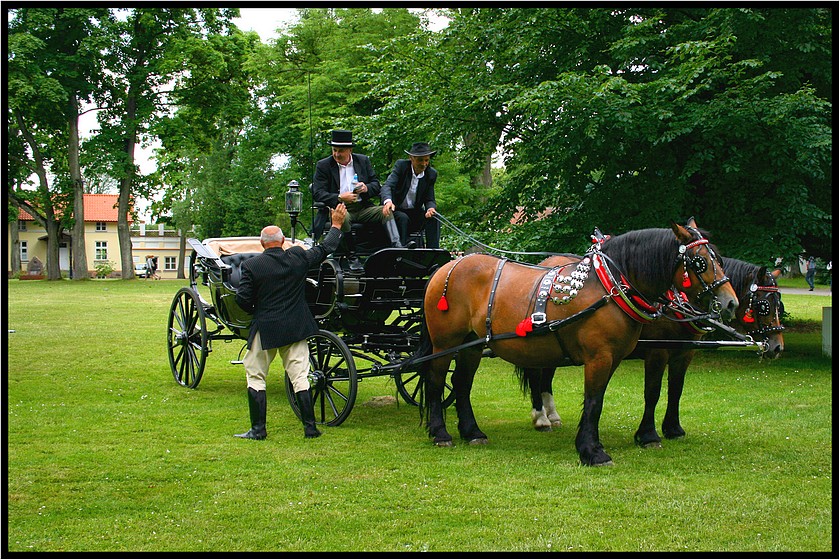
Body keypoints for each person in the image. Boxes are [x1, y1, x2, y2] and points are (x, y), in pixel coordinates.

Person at [233, 204, 348, 440]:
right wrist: (336, 225)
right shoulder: (297, 257)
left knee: (255, 375)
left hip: (266, 326)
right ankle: (310, 428)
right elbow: (325, 248)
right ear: (283, 240)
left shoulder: (252, 266)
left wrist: (259, 310)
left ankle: (258, 430)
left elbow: (242, 300)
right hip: (295, 326)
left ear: (262, 243)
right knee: (300, 376)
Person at [312, 129, 403, 271]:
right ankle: (352, 256)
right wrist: (339, 197)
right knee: (344, 217)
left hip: (363, 207)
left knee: (385, 211)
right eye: (334, 150)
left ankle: (397, 249)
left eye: (340, 151)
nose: (336, 154)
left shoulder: (362, 161)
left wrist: (366, 188)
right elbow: (317, 193)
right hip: (339, 207)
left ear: (349, 150)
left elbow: (376, 185)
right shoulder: (324, 165)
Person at [380, 142, 441, 249]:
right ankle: (401, 250)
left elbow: (430, 198)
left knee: (435, 217)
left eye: (426, 160)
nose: (424, 164)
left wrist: (430, 208)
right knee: (403, 218)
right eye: (420, 160)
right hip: (396, 211)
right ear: (411, 158)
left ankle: (434, 250)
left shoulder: (431, 174)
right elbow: (387, 186)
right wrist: (388, 201)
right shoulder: (401, 166)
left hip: (415, 213)